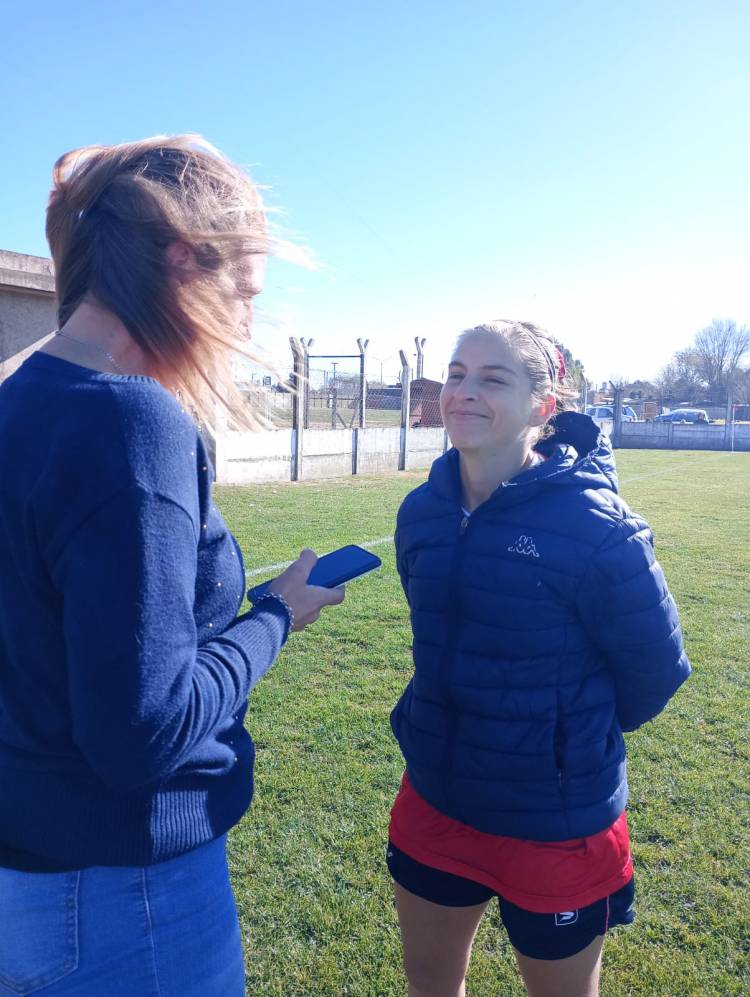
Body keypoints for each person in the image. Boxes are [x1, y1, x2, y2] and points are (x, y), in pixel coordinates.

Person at [0, 136, 343, 996]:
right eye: (248, 293)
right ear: (186, 260)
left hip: (32, 871)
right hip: (122, 896)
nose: (250, 325)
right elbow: (141, 735)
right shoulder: (130, 424)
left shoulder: (19, 399)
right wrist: (277, 617)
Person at [387, 320, 690, 997]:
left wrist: (562, 741)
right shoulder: (422, 513)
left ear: (544, 405)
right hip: (437, 797)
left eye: (493, 378)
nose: (463, 391)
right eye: (457, 373)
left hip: (555, 820)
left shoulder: (598, 527)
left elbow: (655, 669)